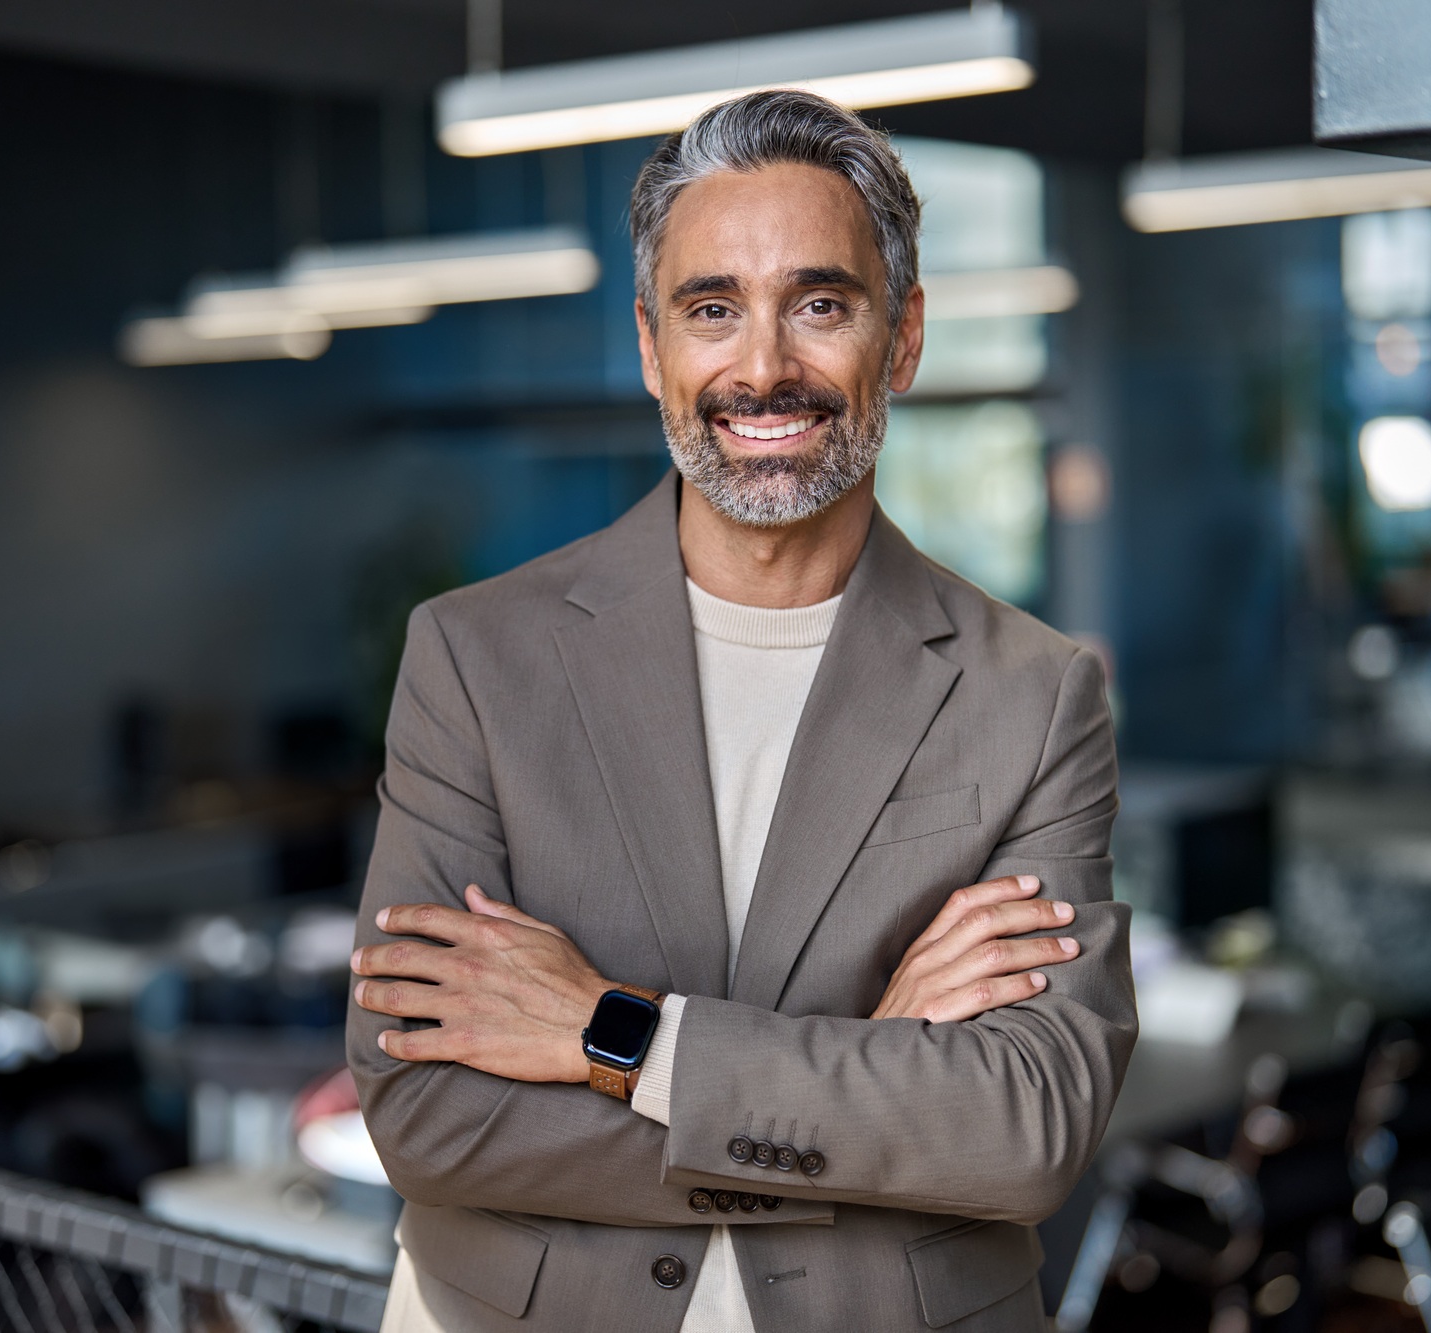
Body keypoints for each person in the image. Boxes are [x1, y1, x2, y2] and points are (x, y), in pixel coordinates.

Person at [346, 88, 1135, 1333]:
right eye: (711, 309)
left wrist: (611, 1036)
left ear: (904, 336)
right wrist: (867, 1089)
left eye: (819, 305)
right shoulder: (472, 658)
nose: (761, 367)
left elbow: (1023, 1128)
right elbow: (425, 1112)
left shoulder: (1033, 692)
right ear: (654, 348)